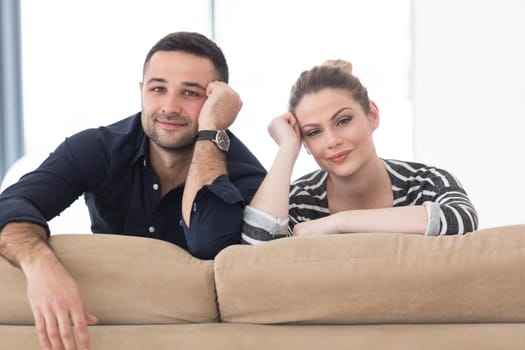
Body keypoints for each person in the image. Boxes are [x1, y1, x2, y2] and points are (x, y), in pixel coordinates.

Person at [0, 32, 266, 350]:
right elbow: (13, 202)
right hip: (106, 323)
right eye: (157, 89)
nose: (169, 106)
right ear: (141, 91)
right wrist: (41, 265)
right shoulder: (97, 148)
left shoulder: (245, 174)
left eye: (190, 93)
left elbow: (209, 243)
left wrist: (212, 133)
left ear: (215, 102)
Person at [242, 59, 477, 244]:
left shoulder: (425, 182)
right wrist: (287, 148)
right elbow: (257, 249)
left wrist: (338, 224)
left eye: (343, 120)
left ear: (372, 115)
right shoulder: (300, 202)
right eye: (314, 133)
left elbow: (461, 218)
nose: (332, 141)